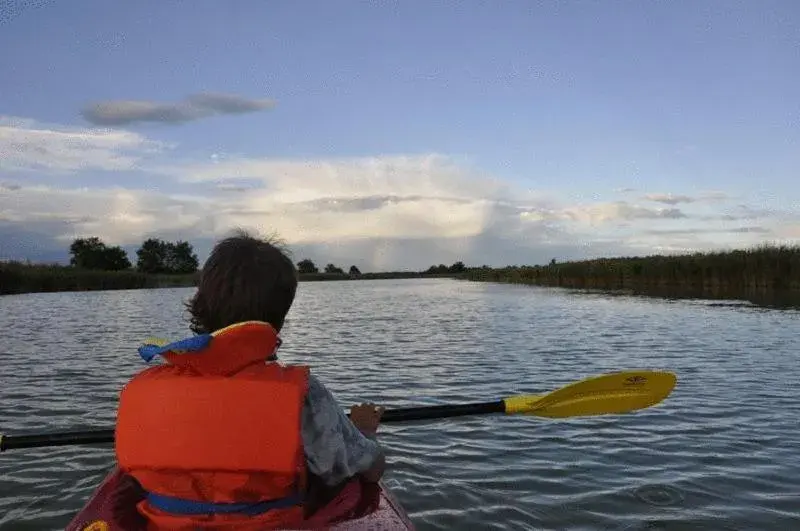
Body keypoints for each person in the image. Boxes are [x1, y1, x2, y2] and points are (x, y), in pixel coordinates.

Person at [113, 229, 387, 530]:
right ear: (280, 317)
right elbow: (370, 469)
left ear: (201, 302)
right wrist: (364, 431)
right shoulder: (305, 395)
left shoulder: (146, 387)